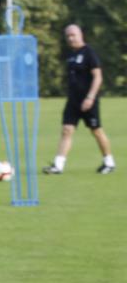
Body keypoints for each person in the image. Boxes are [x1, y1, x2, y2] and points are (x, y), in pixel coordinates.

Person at [43, 24, 115, 175]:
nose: (70, 38)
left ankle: (109, 162)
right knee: (66, 130)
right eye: (68, 36)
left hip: (89, 100)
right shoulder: (71, 55)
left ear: (80, 35)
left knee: (96, 131)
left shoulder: (89, 53)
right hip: (73, 101)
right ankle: (58, 165)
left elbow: (98, 77)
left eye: (73, 35)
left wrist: (90, 97)